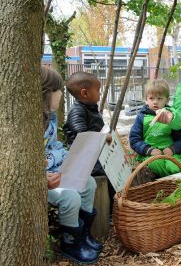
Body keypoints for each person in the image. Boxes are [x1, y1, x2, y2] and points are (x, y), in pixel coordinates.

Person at [42, 66, 101, 264]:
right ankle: (71, 242)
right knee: (70, 196)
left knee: (89, 183)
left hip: (56, 172)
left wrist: (67, 157)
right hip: (43, 180)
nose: (62, 95)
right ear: (45, 93)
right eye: (58, 90)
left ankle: (83, 235)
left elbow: (54, 145)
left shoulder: (49, 119)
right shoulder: (28, 124)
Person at [129, 79, 181, 177]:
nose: (155, 102)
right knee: (155, 164)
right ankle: (168, 182)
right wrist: (149, 150)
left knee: (176, 166)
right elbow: (134, 139)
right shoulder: (142, 117)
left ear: (167, 100)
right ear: (146, 99)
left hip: (170, 153)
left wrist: (173, 149)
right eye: (151, 98)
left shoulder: (172, 117)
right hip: (150, 154)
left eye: (160, 98)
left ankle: (178, 181)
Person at [63, 71, 110, 175]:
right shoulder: (77, 111)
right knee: (104, 173)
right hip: (84, 157)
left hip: (94, 152)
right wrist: (103, 137)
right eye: (98, 90)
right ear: (85, 93)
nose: (100, 93)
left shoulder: (90, 108)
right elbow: (82, 134)